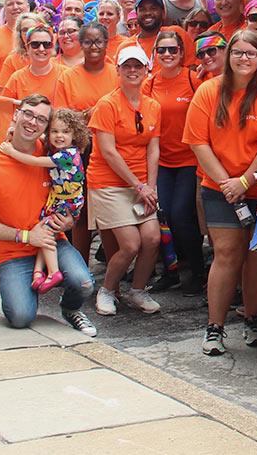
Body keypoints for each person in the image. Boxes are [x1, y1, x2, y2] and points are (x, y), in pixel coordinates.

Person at [0, 93, 98, 337]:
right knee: (20, 317)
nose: (32, 122)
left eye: (41, 119)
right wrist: (27, 236)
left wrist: (70, 220)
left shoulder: (51, 152)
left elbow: (71, 191)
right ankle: (9, 283)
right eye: (28, 114)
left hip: (51, 241)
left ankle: (70, 309)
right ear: (16, 114)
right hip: (13, 251)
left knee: (84, 284)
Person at [185, 30, 257, 355]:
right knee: (226, 254)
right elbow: (198, 142)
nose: (244, 59)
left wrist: (244, 181)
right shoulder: (209, 91)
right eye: (238, 52)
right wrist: (228, 182)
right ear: (228, 55)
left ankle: (253, 320)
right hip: (218, 187)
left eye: (251, 54)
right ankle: (215, 328)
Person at [88, 45, 163, 316]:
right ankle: (107, 290)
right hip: (109, 183)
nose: (133, 71)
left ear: (146, 70)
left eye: (138, 66)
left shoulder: (153, 105)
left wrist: (151, 187)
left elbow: (153, 148)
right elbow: (108, 151)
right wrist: (138, 185)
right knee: (130, 243)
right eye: (127, 66)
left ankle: (137, 290)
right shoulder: (107, 104)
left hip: (141, 184)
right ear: (118, 71)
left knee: (152, 239)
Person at [0, 108, 90, 292]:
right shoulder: (58, 150)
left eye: (65, 132)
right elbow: (38, 141)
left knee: (46, 232)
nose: (59, 136)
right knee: (44, 230)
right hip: (59, 200)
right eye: (54, 131)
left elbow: (35, 162)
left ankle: (54, 272)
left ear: (75, 135)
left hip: (66, 203)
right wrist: (15, 134)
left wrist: (10, 151)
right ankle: (38, 271)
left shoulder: (66, 155)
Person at [142, 31, 205, 295]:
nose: (167, 55)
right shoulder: (149, 83)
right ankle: (172, 270)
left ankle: (196, 270)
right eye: (162, 50)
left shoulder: (193, 80)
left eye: (172, 50)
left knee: (181, 215)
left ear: (181, 53)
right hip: (162, 161)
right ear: (155, 53)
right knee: (163, 215)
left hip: (189, 159)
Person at [55, 23, 119, 112]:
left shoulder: (118, 75)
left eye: (98, 42)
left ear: (106, 44)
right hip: (78, 125)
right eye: (88, 42)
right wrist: (86, 115)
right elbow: (61, 116)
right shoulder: (67, 78)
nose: (93, 47)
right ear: (81, 45)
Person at [133, 0, 195, 68]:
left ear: (163, 13)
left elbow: (193, 65)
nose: (148, 13)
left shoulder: (176, 33)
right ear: (136, 14)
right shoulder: (127, 46)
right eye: (142, 9)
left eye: (153, 8)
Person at [4, 26, 64, 102]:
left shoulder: (65, 75)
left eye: (47, 44)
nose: (41, 49)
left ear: (52, 47)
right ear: (27, 47)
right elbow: (5, 109)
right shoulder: (17, 79)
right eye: (35, 44)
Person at [0, 13, 47, 96]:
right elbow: (5, 96)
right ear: (20, 34)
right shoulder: (12, 60)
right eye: (25, 30)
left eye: (33, 29)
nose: (29, 33)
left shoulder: (50, 57)